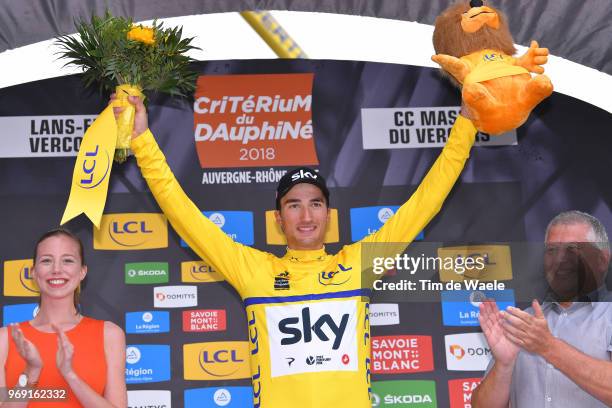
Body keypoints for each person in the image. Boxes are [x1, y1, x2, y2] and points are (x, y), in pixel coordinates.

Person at [117, 95, 477, 407]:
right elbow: (184, 215)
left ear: (328, 214)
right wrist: (142, 141)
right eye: (293, 205)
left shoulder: (357, 264)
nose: (306, 216)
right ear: (278, 217)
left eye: (315, 204)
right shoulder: (254, 271)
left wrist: (466, 123)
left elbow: (425, 202)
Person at [473, 210, 612, 407]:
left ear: (602, 260)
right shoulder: (523, 324)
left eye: (573, 249)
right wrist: (504, 365)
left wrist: (548, 346)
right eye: (552, 250)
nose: (560, 259)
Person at [0, 229, 127, 407]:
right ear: (34, 272)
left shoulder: (109, 334)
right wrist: (31, 371)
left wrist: (70, 374)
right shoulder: (5, 339)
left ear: (82, 272)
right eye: (46, 261)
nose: (57, 269)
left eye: (67, 260)